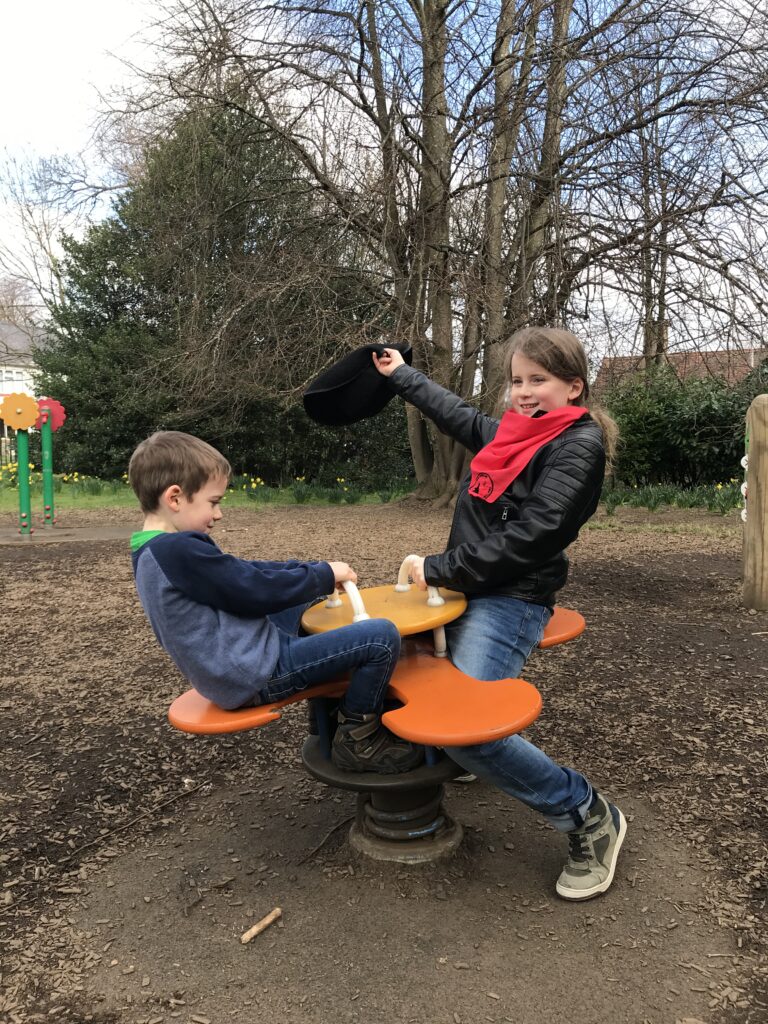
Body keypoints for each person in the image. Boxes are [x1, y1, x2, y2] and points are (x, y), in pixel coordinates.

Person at [372, 327, 626, 901]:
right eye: (516, 381)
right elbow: (457, 414)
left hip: (512, 598)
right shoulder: (514, 436)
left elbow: (534, 537)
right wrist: (399, 375)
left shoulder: (576, 445)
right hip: (469, 588)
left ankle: (587, 813)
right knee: (399, 668)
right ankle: (456, 759)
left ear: (574, 387)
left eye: (539, 380)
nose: (523, 392)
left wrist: (441, 568)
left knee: (466, 730)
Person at [127, 430, 421, 774]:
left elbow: (240, 572)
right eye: (214, 502)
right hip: (254, 673)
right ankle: (359, 739)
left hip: (237, 660)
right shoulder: (178, 550)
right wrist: (322, 575)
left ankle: (324, 712)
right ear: (175, 498)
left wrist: (311, 573)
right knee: (381, 638)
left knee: (305, 599)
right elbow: (250, 587)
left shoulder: (153, 548)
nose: (218, 514)